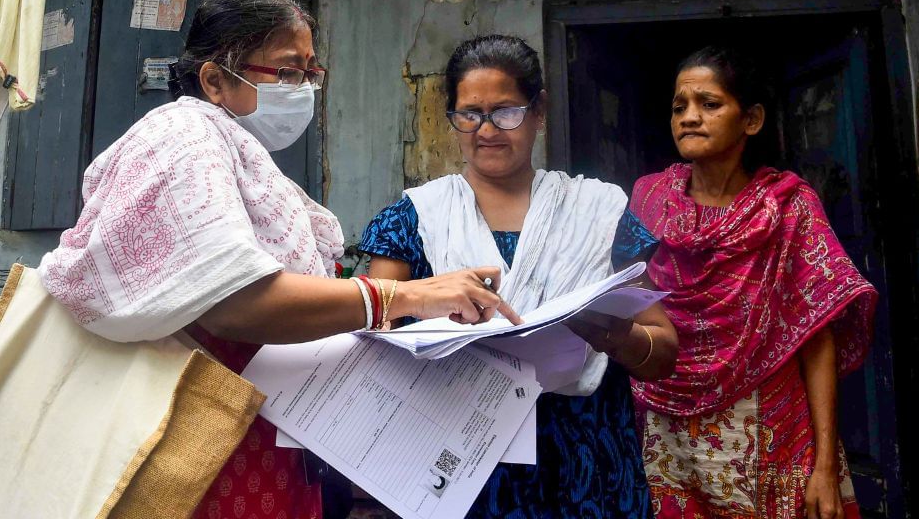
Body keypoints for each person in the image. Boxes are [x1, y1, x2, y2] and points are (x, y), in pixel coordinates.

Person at [33, 0, 520, 519]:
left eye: (310, 73)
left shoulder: (234, 151)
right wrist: (404, 297)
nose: (304, 89)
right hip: (202, 449)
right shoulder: (184, 138)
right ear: (215, 80)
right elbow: (235, 301)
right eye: (287, 72)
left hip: (256, 435)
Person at [359, 34, 679, 518]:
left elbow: (664, 352)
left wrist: (617, 336)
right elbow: (374, 349)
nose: (487, 130)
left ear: (539, 111)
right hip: (457, 461)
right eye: (470, 114)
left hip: (586, 463)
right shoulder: (414, 219)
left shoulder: (597, 212)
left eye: (506, 112)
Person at [630, 46, 878, 519]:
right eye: (679, 107)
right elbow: (625, 299)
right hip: (668, 429)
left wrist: (825, 466)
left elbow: (816, 337)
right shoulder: (649, 200)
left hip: (772, 430)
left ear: (752, 119)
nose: (689, 117)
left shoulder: (787, 208)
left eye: (709, 104)